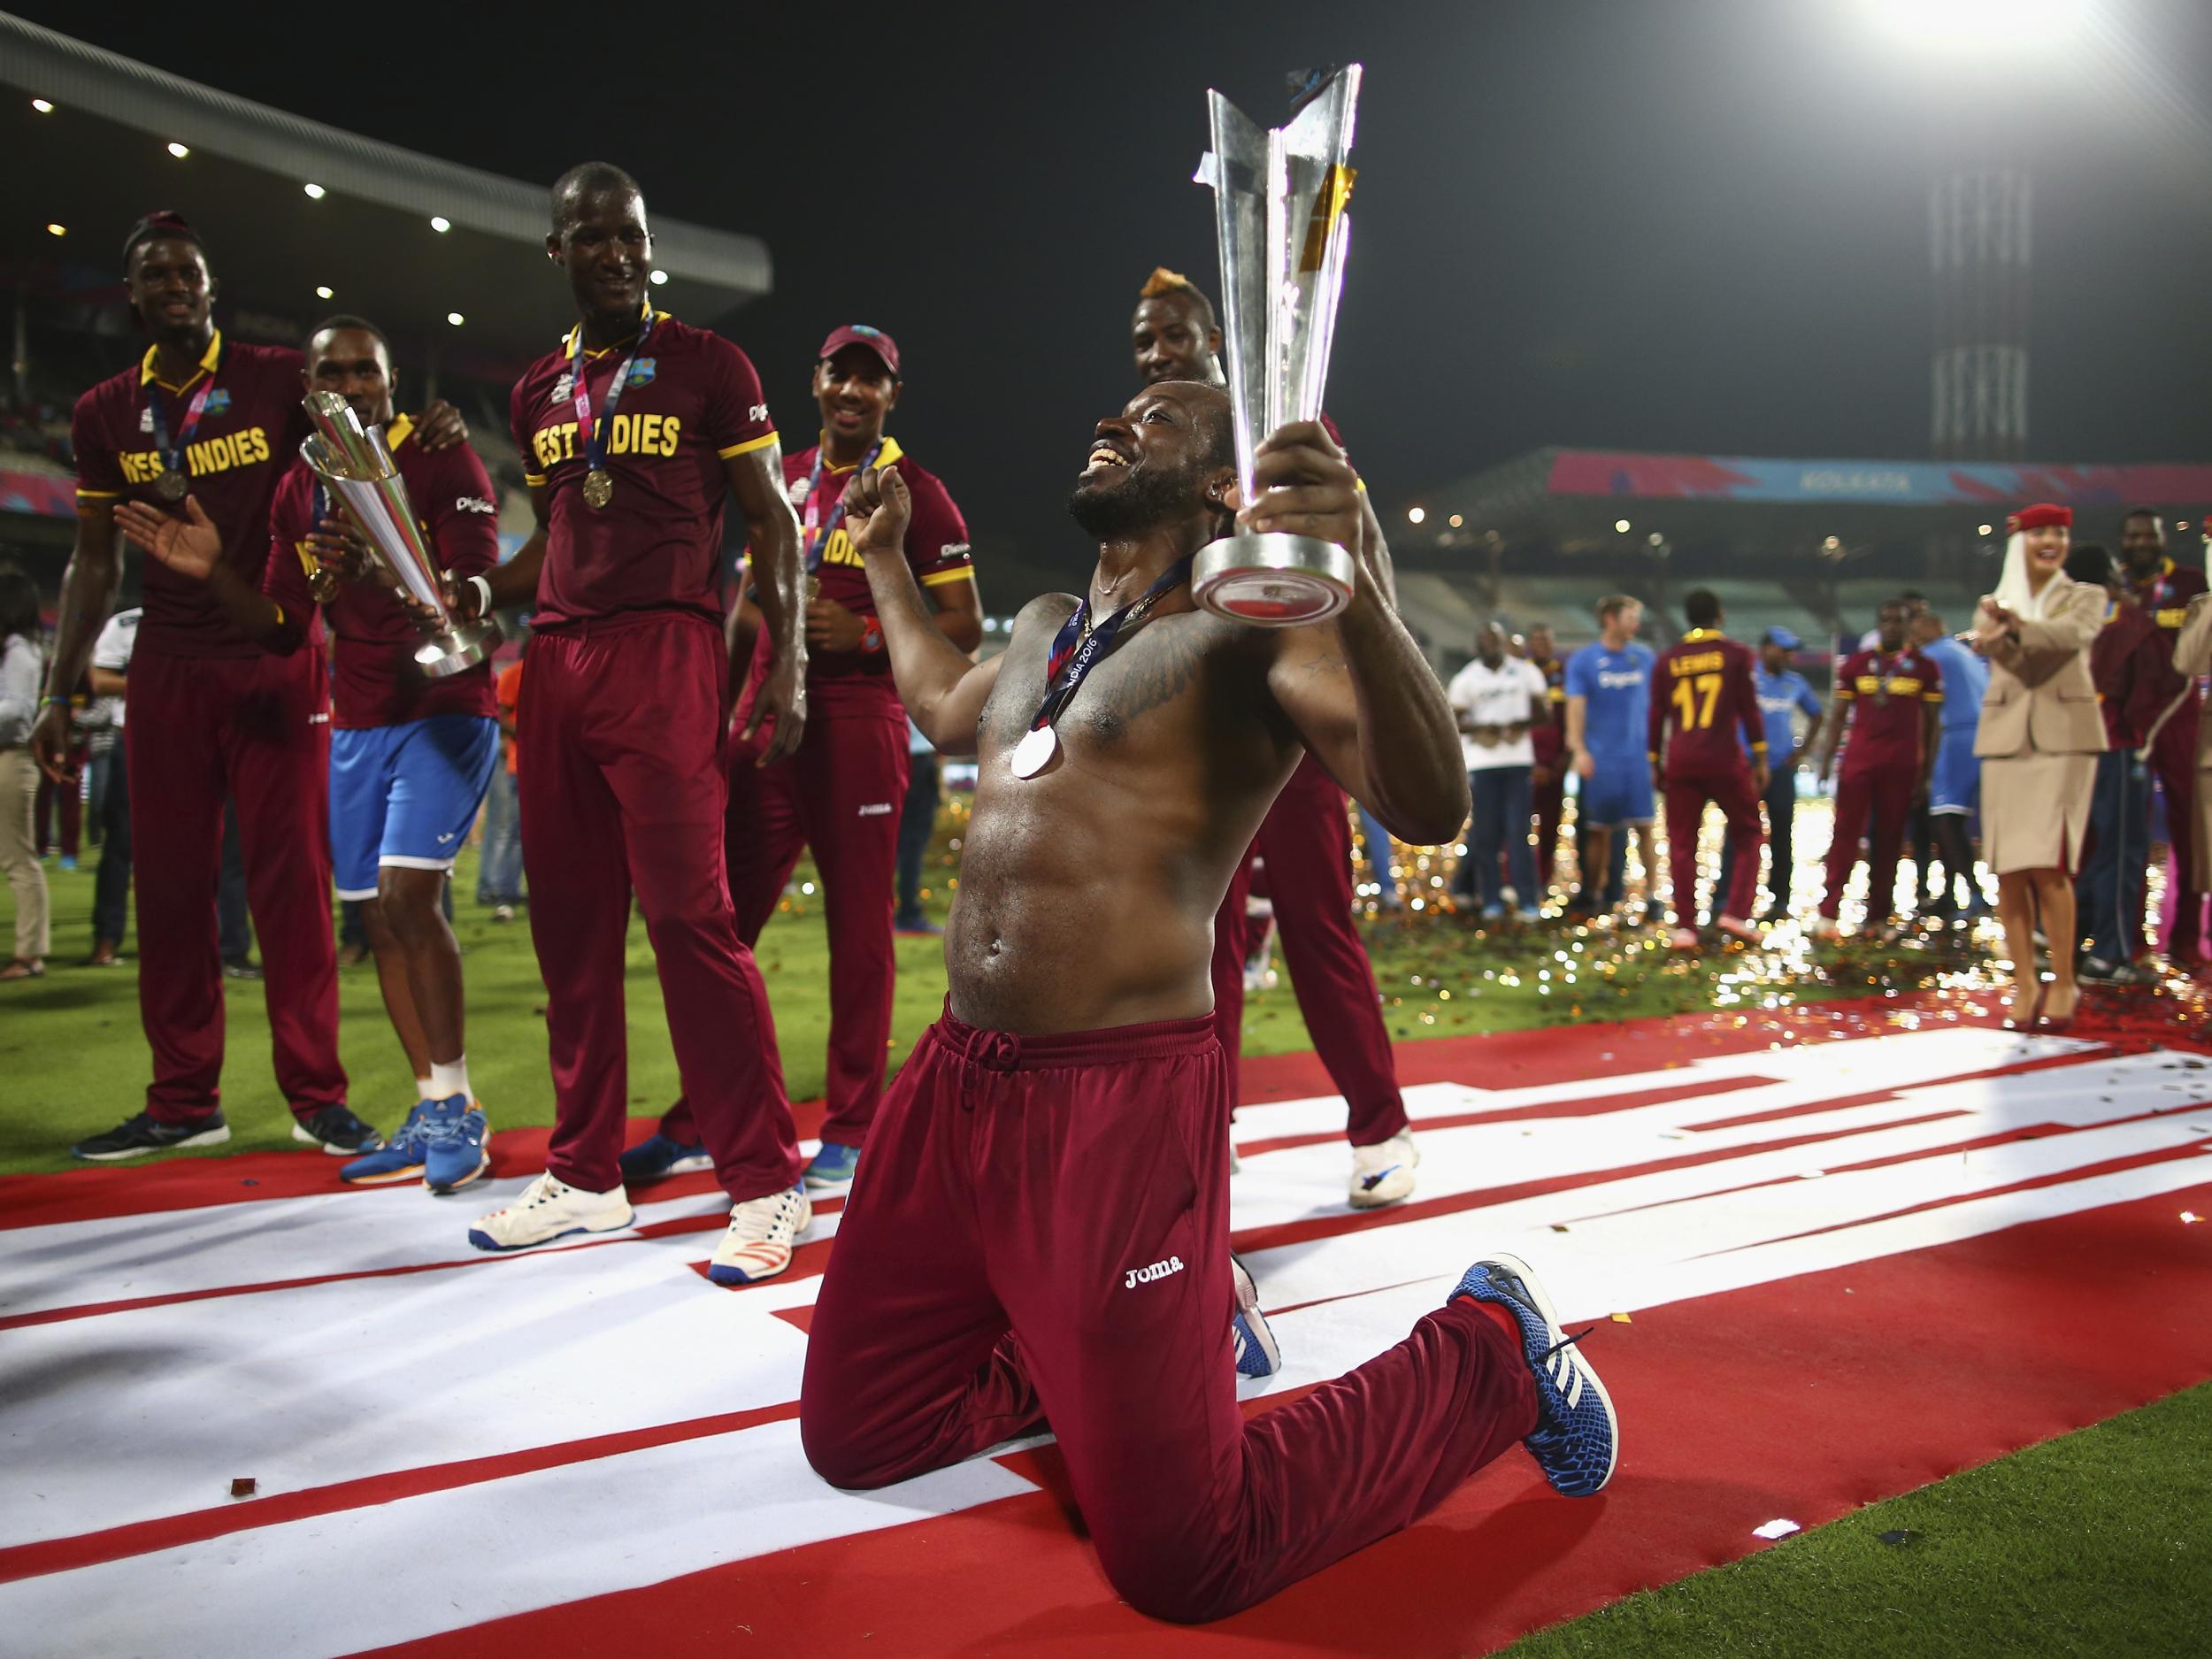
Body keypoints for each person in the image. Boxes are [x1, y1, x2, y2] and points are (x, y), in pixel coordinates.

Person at [799, 383, 1617, 1625]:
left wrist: (1357, 577)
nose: (1114, 420)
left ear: (1225, 484)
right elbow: (933, 701)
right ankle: (1150, 1342)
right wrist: (881, 561)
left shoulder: (1255, 633)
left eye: (1159, 419)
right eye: (1116, 406)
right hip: (958, 1075)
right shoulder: (1043, 624)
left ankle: (1495, 1349)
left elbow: (1434, 801)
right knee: (861, 1430)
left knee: (1188, 1559)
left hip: (1117, 1096)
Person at [444, 163, 810, 1282]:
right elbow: (557, 536)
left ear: (648, 246)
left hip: (666, 651)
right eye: (590, 237)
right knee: (569, 925)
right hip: (554, 656)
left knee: (692, 920)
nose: (613, 252)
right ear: (557, 251)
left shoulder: (710, 364)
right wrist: (480, 595)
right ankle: (590, 1176)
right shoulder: (536, 391)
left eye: (630, 235)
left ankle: (764, 1181)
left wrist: (785, 667)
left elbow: (773, 528)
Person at [41, 211, 463, 1162]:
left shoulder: (278, 376)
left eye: (186, 269)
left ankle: (316, 1096)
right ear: (134, 293)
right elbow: (91, 562)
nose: (173, 283)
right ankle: (185, 1097)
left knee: (292, 891)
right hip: (169, 669)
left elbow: (366, 440)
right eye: (153, 273)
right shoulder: (104, 410)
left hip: (274, 657)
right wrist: (57, 694)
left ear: (209, 285)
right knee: (174, 890)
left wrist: (429, 429)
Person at [117, 314, 505, 1193]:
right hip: (357, 720)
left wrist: (382, 566)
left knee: (412, 897)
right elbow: (285, 626)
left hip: (445, 706)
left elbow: (469, 588)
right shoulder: (301, 485)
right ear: (310, 389)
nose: (352, 387)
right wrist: (212, 573)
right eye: (333, 373)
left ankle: (464, 1114)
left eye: (366, 372)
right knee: (375, 912)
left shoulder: (443, 456)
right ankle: (433, 1105)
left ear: (391, 378)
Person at [622, 324, 979, 1192]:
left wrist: (865, 632)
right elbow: (749, 609)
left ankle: (852, 1125)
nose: (852, 392)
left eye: (871, 381)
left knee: (858, 932)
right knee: (721, 925)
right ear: (815, 383)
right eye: (839, 376)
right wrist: (719, 709)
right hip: (769, 717)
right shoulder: (779, 479)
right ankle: (706, 1115)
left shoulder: (916, 494)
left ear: (891, 395)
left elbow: (964, 627)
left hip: (859, 717)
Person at [1133, 268, 1415, 1209]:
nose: (1159, 354)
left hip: (1288, 713)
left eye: (1175, 335)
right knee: (1194, 936)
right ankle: (1205, 1126)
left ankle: (1381, 1124)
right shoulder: (1146, 438)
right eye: (1144, 341)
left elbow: (1343, 548)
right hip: (1193, 717)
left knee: (1316, 926)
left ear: (1217, 339)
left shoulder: (1288, 422)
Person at [1971, 504, 2105, 1029]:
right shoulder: (1995, 603)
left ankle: (2066, 979)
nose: (2051, 541)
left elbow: (2071, 638)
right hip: (2006, 742)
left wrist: (2014, 627)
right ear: (2018, 542)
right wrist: (2001, 628)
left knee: (2049, 865)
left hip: (2063, 741)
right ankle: (2025, 984)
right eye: (2039, 533)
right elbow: (1991, 645)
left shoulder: (2085, 595)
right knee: (2009, 870)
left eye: (2059, 533)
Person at [1809, 600, 1943, 941]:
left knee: (1889, 841)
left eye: (1898, 621)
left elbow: (1931, 726)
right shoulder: (1856, 665)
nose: (1891, 627)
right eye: (1885, 621)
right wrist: (1826, 760)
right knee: (1845, 837)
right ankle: (1829, 912)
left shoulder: (1925, 669)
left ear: (1908, 625)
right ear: (1877, 624)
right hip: (1859, 763)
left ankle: (1878, 917)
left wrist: (1925, 773)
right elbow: (1839, 714)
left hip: (1900, 768)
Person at [1647, 588, 1765, 949]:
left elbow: (1656, 715)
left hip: (1681, 759)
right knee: (1749, 833)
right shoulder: (1736, 655)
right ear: (1720, 614)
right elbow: (1748, 709)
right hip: (1724, 759)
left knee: (1682, 843)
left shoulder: (1668, 659)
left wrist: (1654, 759)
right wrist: (1760, 756)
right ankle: (1736, 912)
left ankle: (1685, 926)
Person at [2068, 545, 2160, 985]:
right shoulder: (2119, 624)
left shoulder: (2062, 622)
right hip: (2117, 744)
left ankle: (2065, 937)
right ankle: (2109, 954)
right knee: (2121, 852)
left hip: (2078, 748)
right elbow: (2154, 677)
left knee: (2089, 850)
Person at [2120, 509, 2206, 964]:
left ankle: (2186, 940)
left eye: (2147, 536)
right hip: (2127, 721)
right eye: (2132, 536)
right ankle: (2130, 940)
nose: (2140, 543)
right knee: (2127, 831)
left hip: (2180, 716)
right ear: (2123, 541)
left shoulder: (2193, 581)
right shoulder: (2112, 590)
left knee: (2190, 829)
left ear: (2161, 539)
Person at [1563, 595, 1658, 918]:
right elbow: (1575, 708)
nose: (1637, 623)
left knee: (1645, 827)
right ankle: (1594, 892)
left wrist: (1659, 753)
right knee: (1598, 831)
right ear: (1610, 619)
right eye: (1631, 617)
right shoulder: (1584, 660)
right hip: (1602, 761)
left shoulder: (1645, 657)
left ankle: (1654, 896)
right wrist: (1579, 749)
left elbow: (1659, 707)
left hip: (1638, 760)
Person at [1717, 626, 1820, 921]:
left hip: (1781, 769)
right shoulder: (1746, 679)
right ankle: (1725, 897)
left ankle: (1779, 900)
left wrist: (1800, 752)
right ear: (1765, 648)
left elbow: (1817, 714)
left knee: (1782, 835)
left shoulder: (1794, 683)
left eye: (1791, 650)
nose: (1789, 656)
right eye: (1783, 649)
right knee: (1738, 832)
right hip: (1746, 767)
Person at [1446, 621, 1546, 920]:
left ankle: (1528, 900)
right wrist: (1480, 728)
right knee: (1487, 834)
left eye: (1495, 641)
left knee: (1519, 832)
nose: (1489, 646)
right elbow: (1452, 720)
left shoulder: (1525, 672)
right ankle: (1491, 900)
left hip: (1517, 760)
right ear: (1477, 647)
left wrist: (1520, 724)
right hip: (1484, 762)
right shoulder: (1467, 678)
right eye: (1484, 642)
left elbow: (1544, 713)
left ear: (1504, 643)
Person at [1909, 607, 1991, 921]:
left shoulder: (1931, 657)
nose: (1912, 638)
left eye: (1915, 630)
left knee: (1945, 820)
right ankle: (1950, 894)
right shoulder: (1963, 652)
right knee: (1950, 821)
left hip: (1954, 735)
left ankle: (1974, 893)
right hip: (1982, 733)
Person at [0, 565, 49, 981]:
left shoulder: (20, 650)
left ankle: (30, 953)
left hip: (10, 758)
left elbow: (17, 709)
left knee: (18, 858)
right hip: (7, 757)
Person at [84, 606, 139, 965]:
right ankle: (107, 938)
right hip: (132, 739)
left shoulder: (212, 615)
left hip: (193, 742)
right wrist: (157, 681)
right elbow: (100, 679)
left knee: (191, 850)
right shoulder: (126, 623)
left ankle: (187, 943)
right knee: (120, 844)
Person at [477, 640, 526, 921]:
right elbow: (500, 714)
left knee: (518, 833)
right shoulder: (514, 674)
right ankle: (493, 889)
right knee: (504, 828)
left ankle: (508, 887)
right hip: (509, 758)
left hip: (528, 760)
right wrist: (528, 732)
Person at [1525, 621, 1570, 894]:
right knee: (1518, 827)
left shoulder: (1564, 676)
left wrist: (1562, 760)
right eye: (1537, 640)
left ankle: (1543, 881)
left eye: (1546, 640)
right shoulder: (1520, 675)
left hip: (1556, 767)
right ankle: (1517, 880)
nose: (1541, 644)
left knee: (1550, 828)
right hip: (1526, 766)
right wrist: (1531, 765)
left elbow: (1571, 721)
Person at [894, 715, 942, 934]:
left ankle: (883, 912)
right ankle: (907, 913)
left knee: (891, 841)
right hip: (917, 759)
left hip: (892, 754)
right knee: (913, 843)